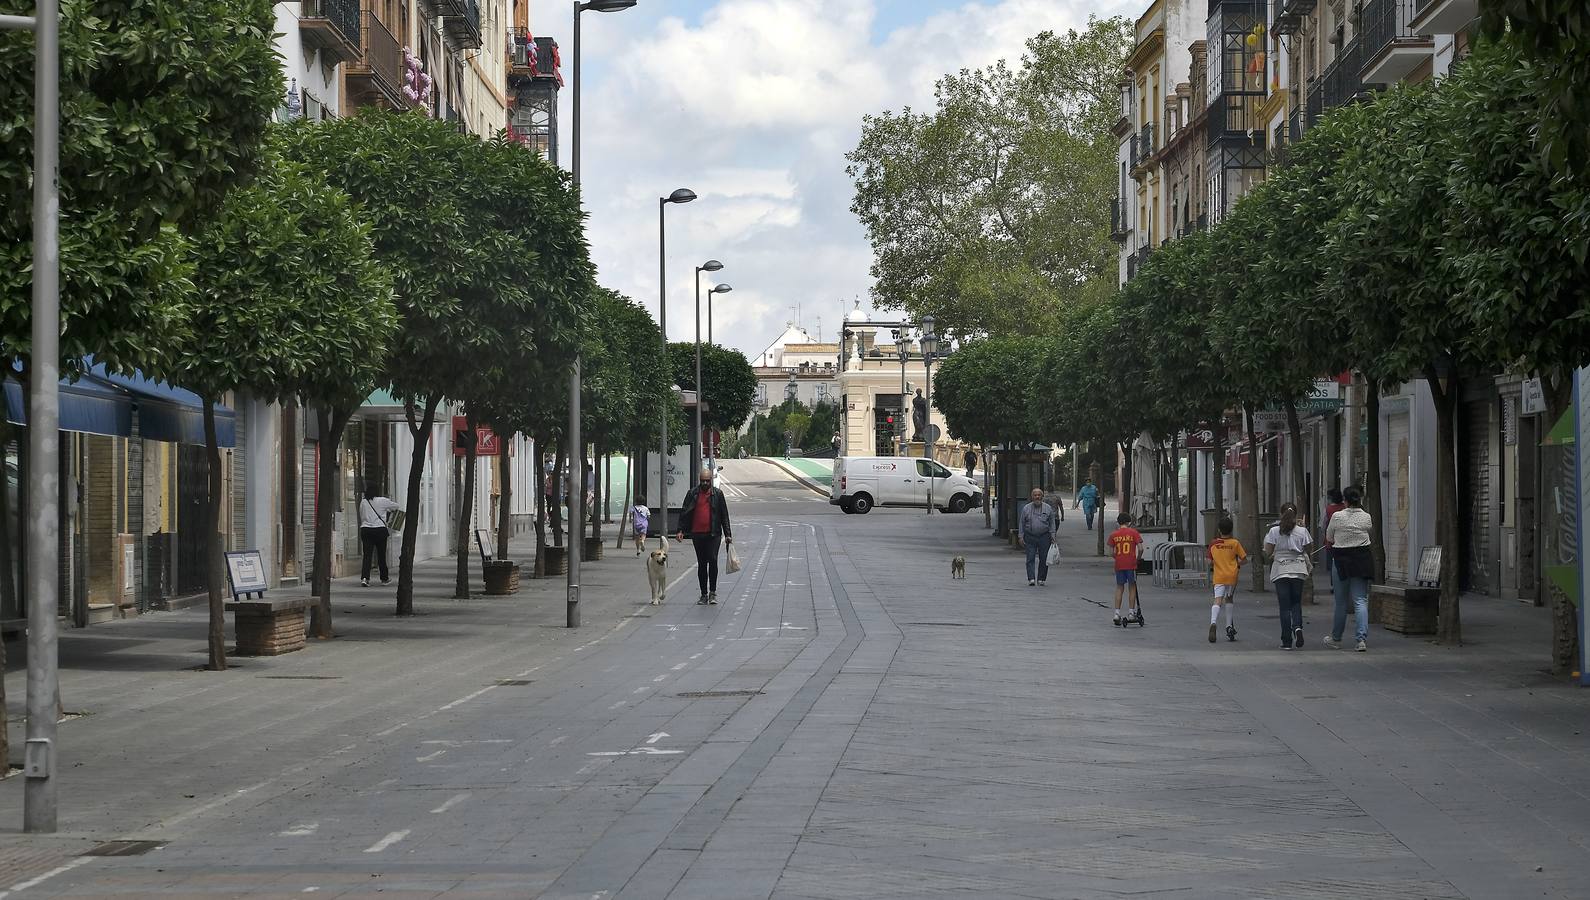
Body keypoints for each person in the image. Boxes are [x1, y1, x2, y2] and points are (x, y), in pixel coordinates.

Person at [1324, 486, 1374, 651]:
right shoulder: (1366, 517)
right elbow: (1369, 532)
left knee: (1341, 602)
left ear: (1344, 501)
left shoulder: (1337, 517)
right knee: (1360, 600)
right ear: (1360, 500)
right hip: (1361, 559)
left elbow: (1329, 537)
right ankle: (1361, 640)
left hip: (1341, 560)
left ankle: (1336, 638)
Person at [677, 467, 733, 605]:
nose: (705, 484)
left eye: (707, 481)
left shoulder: (718, 494)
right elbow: (684, 512)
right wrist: (680, 530)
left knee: (713, 560)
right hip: (697, 534)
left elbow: (724, 515)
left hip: (713, 533)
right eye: (703, 481)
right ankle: (703, 594)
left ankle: (713, 592)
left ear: (711, 480)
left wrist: (728, 535)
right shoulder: (692, 494)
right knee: (702, 564)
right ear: (699, 480)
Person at [1264, 502, 1314, 650]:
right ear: (1296, 515)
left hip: (1281, 570)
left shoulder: (1274, 531)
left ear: (1281, 514)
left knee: (1284, 607)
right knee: (1296, 603)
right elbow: (1309, 548)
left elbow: (1268, 551)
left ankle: (1286, 641)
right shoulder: (1302, 531)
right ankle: (1298, 628)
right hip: (1298, 569)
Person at [1206, 517, 1246, 643]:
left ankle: (1213, 623)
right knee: (1229, 599)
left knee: (1217, 600)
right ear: (1231, 530)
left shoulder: (1213, 544)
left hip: (1219, 576)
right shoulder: (1235, 543)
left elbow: (1208, 562)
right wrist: (1236, 564)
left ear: (1219, 530)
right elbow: (1244, 559)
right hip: (1232, 576)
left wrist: (1215, 564)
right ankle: (1229, 626)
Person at [1017, 487, 1058, 587]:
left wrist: (1053, 535)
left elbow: (1052, 523)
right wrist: (1020, 536)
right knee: (1030, 558)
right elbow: (1021, 523)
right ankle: (1031, 578)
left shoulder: (1048, 508)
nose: (1037, 497)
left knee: (1044, 558)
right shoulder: (1026, 508)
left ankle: (1041, 579)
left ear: (1042, 496)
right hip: (1030, 536)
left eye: (1039, 495)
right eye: (1035, 495)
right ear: (1032, 497)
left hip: (1044, 536)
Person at [358, 493, 401, 587]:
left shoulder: (363, 502)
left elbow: (361, 515)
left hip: (366, 530)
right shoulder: (383, 500)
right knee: (381, 555)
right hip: (380, 530)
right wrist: (387, 510)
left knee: (367, 555)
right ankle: (384, 578)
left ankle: (365, 578)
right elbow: (396, 506)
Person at [1108, 512, 1144, 624]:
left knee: (1119, 587)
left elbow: (1111, 552)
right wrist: (1138, 558)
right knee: (1132, 587)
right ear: (1129, 522)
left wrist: (1117, 557)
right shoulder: (1133, 533)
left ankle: (1117, 613)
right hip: (1131, 564)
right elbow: (1141, 548)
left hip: (1119, 564)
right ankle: (1131, 612)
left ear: (1118, 523)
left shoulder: (1113, 535)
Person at [1322, 487, 1346, 592]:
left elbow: (1323, 524)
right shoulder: (1345, 508)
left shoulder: (1328, 509)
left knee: (1333, 563)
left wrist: (1326, 535)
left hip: (1331, 540)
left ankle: (1334, 584)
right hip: (1344, 539)